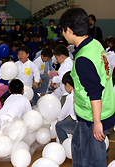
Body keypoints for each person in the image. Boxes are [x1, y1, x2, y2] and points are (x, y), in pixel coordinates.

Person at [60, 8, 115, 167]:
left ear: (69, 30)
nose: (63, 34)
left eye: (63, 30)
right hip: (99, 110)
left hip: (94, 116)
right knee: (77, 146)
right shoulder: (94, 43)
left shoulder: (84, 58)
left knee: (91, 159)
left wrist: (97, 122)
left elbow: (94, 91)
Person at [55, 71, 77, 144]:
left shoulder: (70, 97)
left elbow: (63, 114)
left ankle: (64, 144)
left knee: (59, 126)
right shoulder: (81, 93)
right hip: (87, 123)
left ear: (68, 84)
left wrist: (58, 119)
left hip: (78, 125)